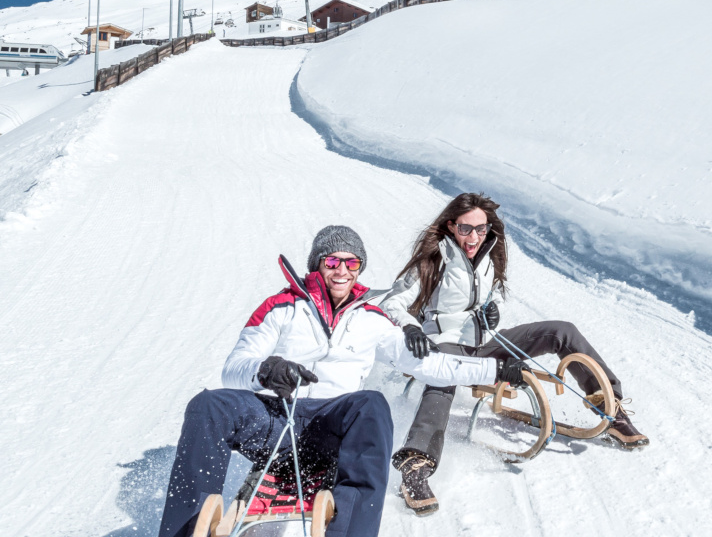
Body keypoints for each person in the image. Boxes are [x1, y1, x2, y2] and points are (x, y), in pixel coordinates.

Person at [157, 225, 529, 537]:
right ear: (318, 264)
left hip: (330, 425)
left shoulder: (372, 318)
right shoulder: (281, 306)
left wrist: (494, 370)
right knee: (209, 404)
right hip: (276, 418)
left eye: (352, 263)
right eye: (333, 261)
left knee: (371, 404)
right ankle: (184, 528)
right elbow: (234, 366)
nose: (342, 270)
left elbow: (430, 366)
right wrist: (266, 369)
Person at [378, 193, 649, 517]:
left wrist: (492, 313)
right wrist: (412, 329)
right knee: (444, 373)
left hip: (485, 343)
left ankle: (612, 411)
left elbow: (497, 299)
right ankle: (415, 465)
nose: (475, 237)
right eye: (466, 229)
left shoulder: (490, 259)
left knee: (562, 330)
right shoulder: (433, 259)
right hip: (443, 344)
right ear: (451, 226)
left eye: (482, 229)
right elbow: (391, 303)